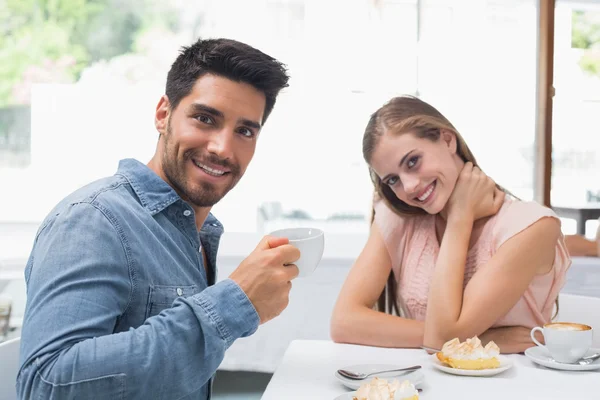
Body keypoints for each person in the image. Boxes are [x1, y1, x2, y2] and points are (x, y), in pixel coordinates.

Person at [17, 38, 299, 399]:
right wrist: (235, 303)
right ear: (163, 113)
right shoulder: (94, 220)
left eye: (245, 131)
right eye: (205, 118)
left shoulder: (197, 231)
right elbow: (46, 385)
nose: (222, 148)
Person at [331, 96, 571, 354]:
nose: (409, 187)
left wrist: (460, 217)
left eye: (413, 161)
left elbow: (441, 340)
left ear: (447, 140)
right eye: (393, 180)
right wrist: (486, 339)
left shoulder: (532, 226)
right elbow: (343, 323)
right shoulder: (399, 218)